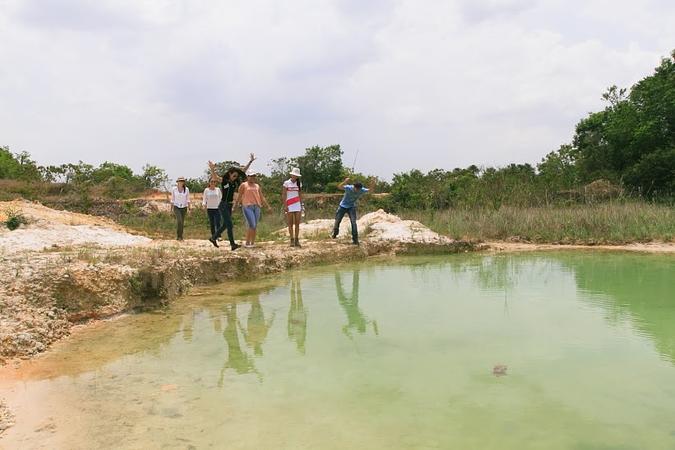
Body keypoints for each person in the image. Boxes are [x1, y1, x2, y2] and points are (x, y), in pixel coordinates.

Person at [207, 154, 256, 250]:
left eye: (236, 176)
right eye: (234, 175)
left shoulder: (235, 182)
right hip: (223, 205)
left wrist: (250, 162)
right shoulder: (224, 181)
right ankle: (232, 244)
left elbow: (243, 171)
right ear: (229, 174)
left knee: (226, 224)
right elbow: (215, 177)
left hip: (229, 205)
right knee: (229, 224)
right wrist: (212, 169)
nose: (235, 177)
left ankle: (213, 238)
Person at [332, 177, 375, 245]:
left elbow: (370, 191)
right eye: (356, 189)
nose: (357, 191)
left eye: (359, 189)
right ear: (354, 187)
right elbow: (339, 187)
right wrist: (345, 181)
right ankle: (335, 233)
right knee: (337, 221)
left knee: (353, 223)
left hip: (351, 207)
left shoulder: (361, 190)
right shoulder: (349, 187)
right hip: (342, 206)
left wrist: (372, 183)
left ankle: (355, 240)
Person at [233, 172, 271, 248]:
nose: (252, 177)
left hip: (257, 206)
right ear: (247, 177)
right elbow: (239, 196)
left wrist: (268, 206)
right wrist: (235, 206)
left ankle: (252, 242)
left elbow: (261, 196)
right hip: (247, 206)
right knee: (252, 224)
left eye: (253, 176)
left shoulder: (257, 186)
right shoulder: (244, 185)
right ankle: (247, 242)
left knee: (254, 225)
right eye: (250, 176)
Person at [282, 167, 303, 247]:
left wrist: (301, 205)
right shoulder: (286, 183)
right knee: (290, 223)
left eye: (296, 175)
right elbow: (284, 194)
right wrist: (285, 205)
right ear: (291, 175)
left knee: (297, 223)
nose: (295, 176)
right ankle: (291, 240)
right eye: (294, 175)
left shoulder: (299, 183)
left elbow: (300, 194)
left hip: (297, 204)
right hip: (289, 204)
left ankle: (297, 240)